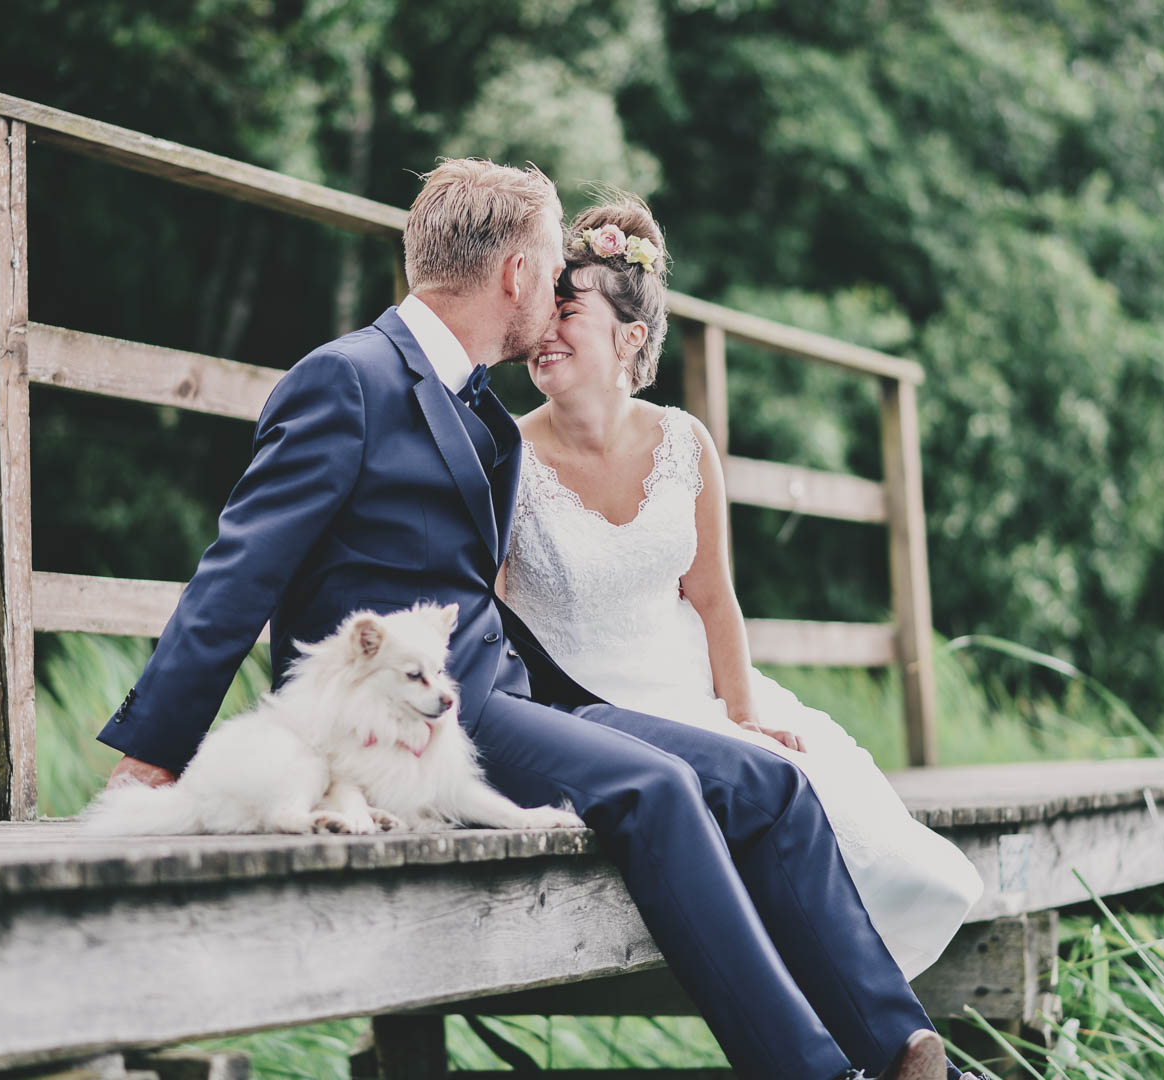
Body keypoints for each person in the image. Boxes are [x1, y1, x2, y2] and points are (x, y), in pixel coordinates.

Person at [97, 159, 957, 1080]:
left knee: (768, 784)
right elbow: (238, 572)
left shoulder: (483, 410)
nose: (554, 299)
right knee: (659, 788)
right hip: (413, 718)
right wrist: (154, 752)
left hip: (517, 693)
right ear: (514, 273)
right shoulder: (347, 380)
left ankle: (903, 1053)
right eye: (551, 272)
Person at [500, 196, 984, 984]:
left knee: (853, 825)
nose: (543, 330)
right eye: (542, 311)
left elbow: (712, 597)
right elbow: (487, 619)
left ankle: (860, 1001)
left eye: (568, 313)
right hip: (582, 708)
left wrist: (741, 709)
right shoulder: (506, 457)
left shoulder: (682, 441)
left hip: (692, 688)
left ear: (629, 338)